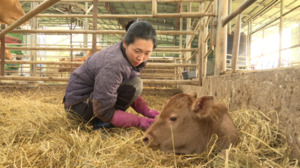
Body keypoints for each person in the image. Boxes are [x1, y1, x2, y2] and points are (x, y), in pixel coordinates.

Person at [63, 20, 159, 130]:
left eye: (147, 53)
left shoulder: (126, 54)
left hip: (88, 99)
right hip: (77, 109)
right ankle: (102, 124)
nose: (141, 58)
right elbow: (103, 109)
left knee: (135, 84)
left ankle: (105, 121)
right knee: (136, 84)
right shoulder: (114, 64)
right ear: (125, 43)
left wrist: (147, 111)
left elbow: (122, 88)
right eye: (137, 51)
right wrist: (140, 122)